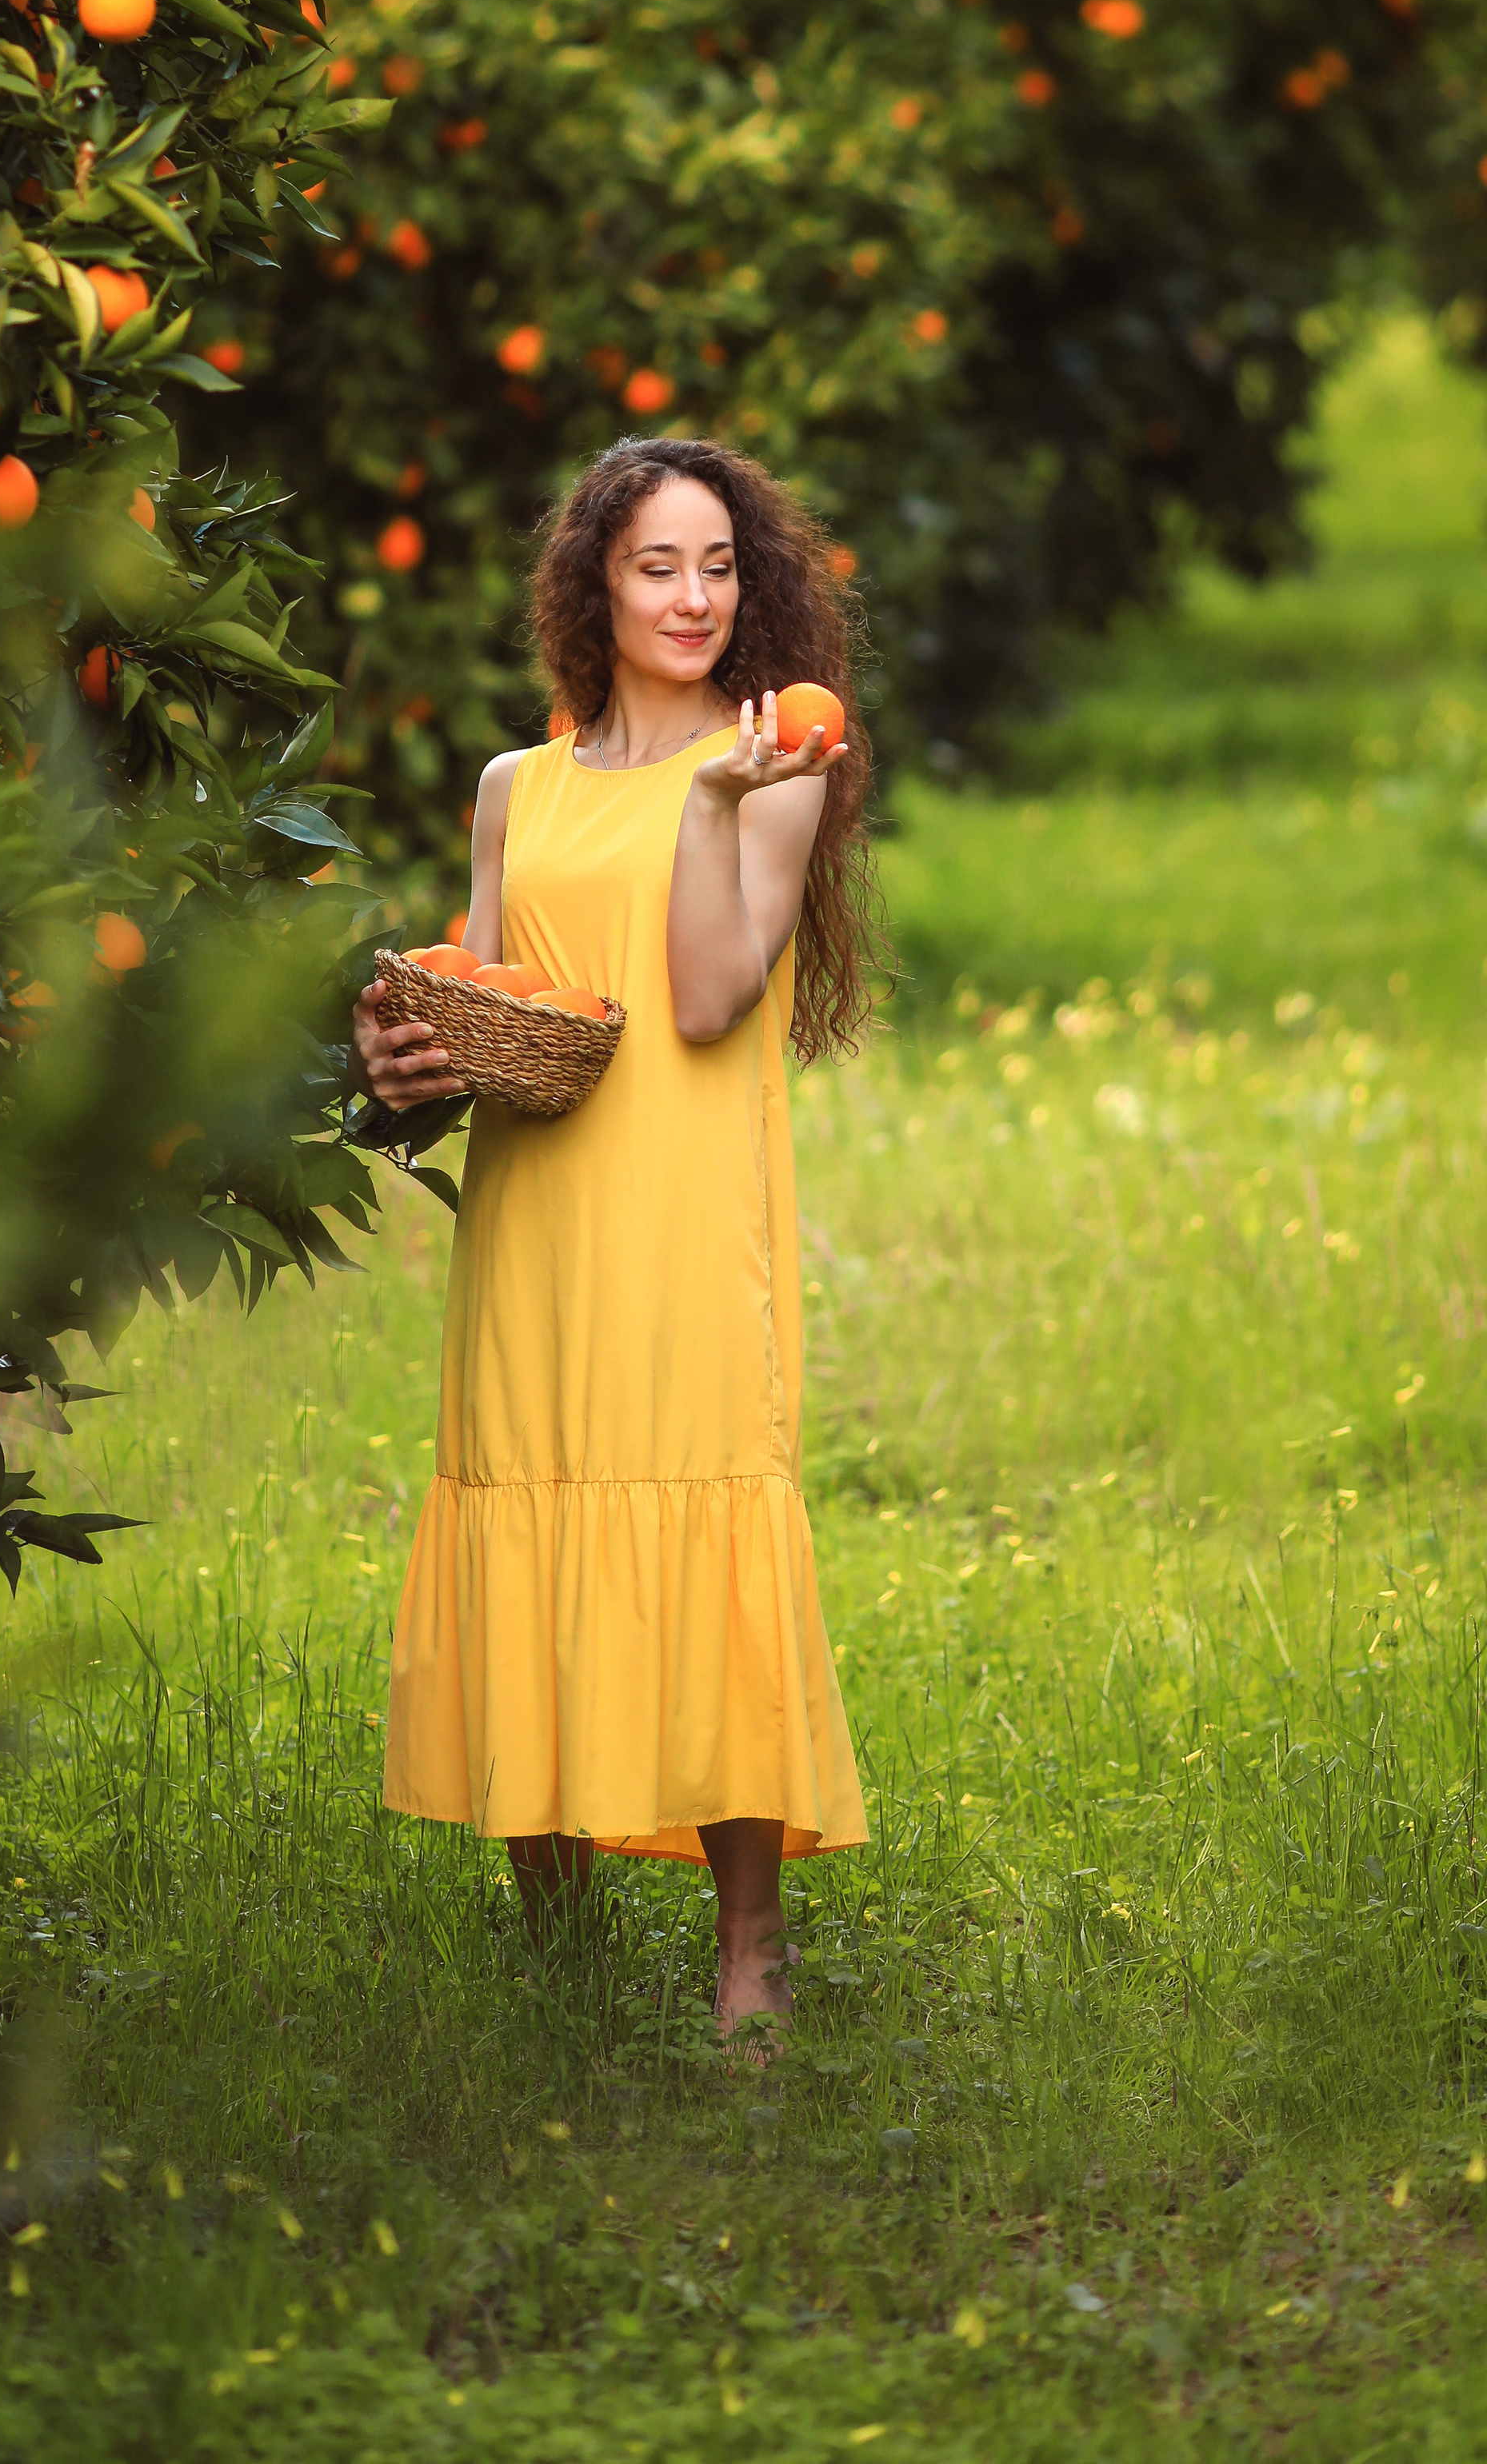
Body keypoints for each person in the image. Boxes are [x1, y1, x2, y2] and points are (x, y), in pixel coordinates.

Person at [353, 437, 879, 2044]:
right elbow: (490, 999)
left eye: (718, 566)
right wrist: (402, 1065)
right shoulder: (516, 789)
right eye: (658, 566)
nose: (693, 596)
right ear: (597, 584)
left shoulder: (775, 765)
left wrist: (712, 803)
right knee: (535, 1512)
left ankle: (749, 1951)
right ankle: (558, 1938)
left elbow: (710, 996)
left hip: (682, 1217)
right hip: (536, 1220)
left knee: (704, 1524)